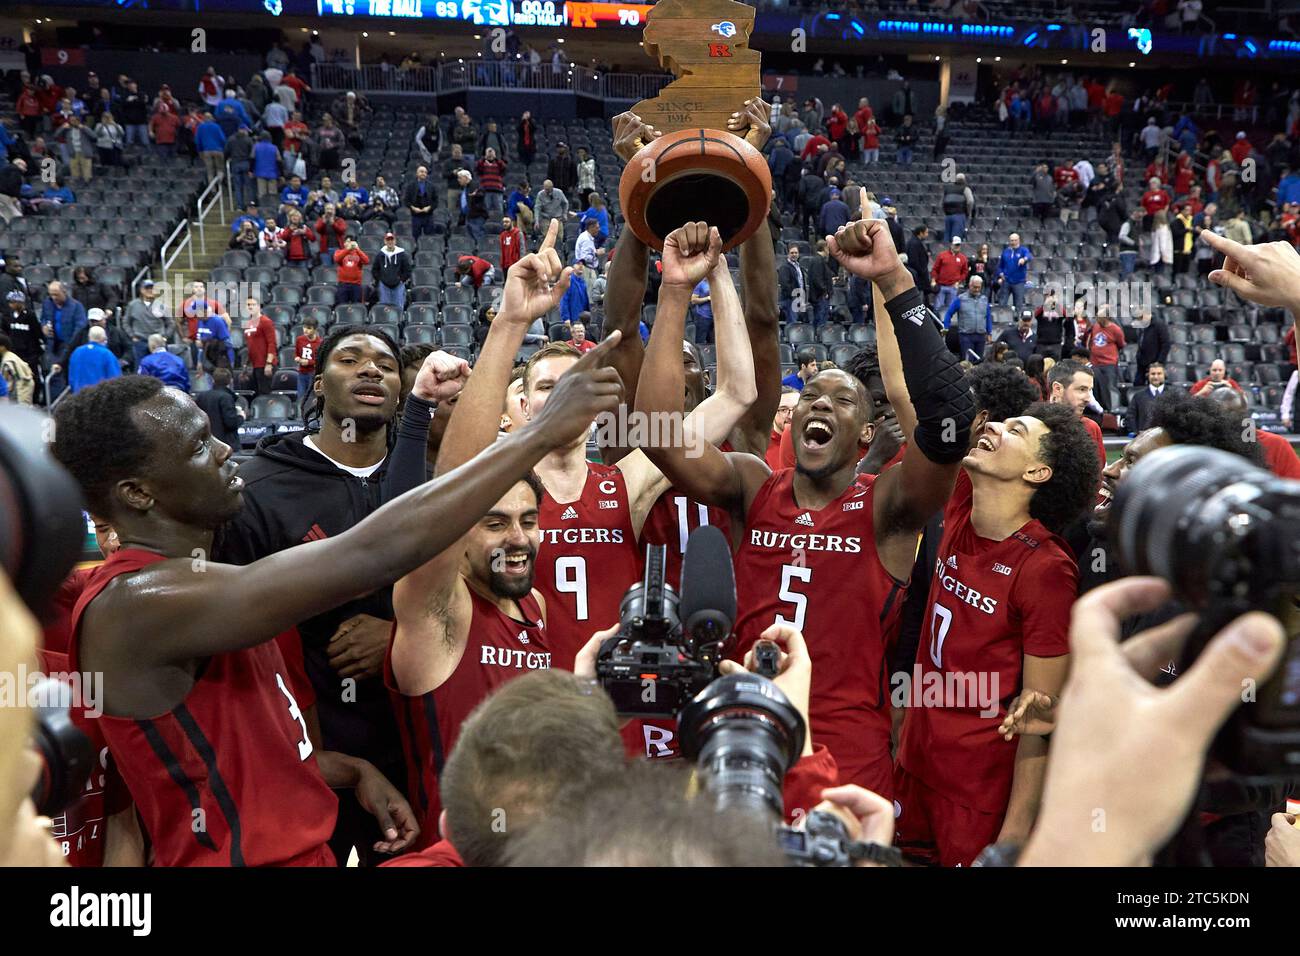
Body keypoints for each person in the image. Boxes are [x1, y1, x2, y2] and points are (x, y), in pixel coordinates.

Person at [50, 341, 613, 867]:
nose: (225, 449)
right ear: (137, 493)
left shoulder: (206, 586)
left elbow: (236, 750)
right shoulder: (136, 603)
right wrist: (535, 437)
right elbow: (377, 549)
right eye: (200, 445)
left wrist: (351, 770)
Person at [635, 218, 975, 795]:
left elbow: (949, 425)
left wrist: (893, 279)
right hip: (741, 733)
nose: (819, 404)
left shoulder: (889, 502)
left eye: (843, 400)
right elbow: (657, 432)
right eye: (811, 397)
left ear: (866, 434)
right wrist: (672, 291)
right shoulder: (751, 484)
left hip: (846, 752)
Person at [435, 218, 755, 675]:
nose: (564, 396)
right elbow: (449, 487)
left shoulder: (628, 481)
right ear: (521, 403)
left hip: (619, 705)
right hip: (529, 703)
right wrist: (509, 322)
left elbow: (736, 392)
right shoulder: (499, 492)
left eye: (575, 385)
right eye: (548, 387)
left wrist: (717, 269)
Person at [895, 386, 1097, 865]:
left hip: (975, 792)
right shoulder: (964, 509)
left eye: (1015, 430)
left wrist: (1013, 837)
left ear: (1037, 472)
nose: (992, 428)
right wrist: (893, 308)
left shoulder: (1046, 568)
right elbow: (913, 396)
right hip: (915, 763)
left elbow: (1039, 720)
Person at [1207, 385, 1300, 479]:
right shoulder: (1200, 446)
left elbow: (1294, 488)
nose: (1228, 421)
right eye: (1220, 416)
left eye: (1235, 414)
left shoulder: (1276, 444)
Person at [1048, 358, 1106, 467]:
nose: (1088, 399)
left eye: (1090, 390)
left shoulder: (1091, 427)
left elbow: (1098, 476)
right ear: (1057, 389)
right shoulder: (1033, 426)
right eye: (1082, 389)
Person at [942, 273, 992, 363]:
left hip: (981, 336)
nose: (976, 289)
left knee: (979, 361)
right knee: (967, 362)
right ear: (969, 285)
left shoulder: (984, 300)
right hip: (966, 336)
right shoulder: (960, 299)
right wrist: (946, 327)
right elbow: (949, 313)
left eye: (978, 287)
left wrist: (989, 332)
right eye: (974, 287)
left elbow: (988, 316)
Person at [194, 366, 245, 448]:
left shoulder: (201, 396)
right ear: (230, 381)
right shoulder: (227, 397)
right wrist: (241, 417)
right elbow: (231, 423)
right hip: (225, 445)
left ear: (213, 380)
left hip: (206, 443)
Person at [1087, 306, 1126, 410]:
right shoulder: (1095, 327)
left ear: (1106, 317)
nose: (1097, 319)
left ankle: (1112, 410)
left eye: (1099, 317)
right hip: (1095, 363)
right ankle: (1099, 409)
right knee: (1095, 388)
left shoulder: (1116, 329)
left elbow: (1121, 344)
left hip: (1109, 364)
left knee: (1110, 387)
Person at [242, 296, 278, 395]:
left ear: (259, 307)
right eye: (248, 305)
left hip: (264, 365)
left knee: (265, 393)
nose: (250, 307)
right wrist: (247, 363)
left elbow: (272, 343)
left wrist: (269, 363)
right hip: (254, 365)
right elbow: (250, 346)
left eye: (253, 305)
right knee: (256, 394)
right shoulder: (247, 323)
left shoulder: (265, 321)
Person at [67, 326, 121, 393]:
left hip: (79, 396)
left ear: (89, 337)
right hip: (99, 397)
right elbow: (115, 379)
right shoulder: (107, 354)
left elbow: (71, 377)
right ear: (104, 338)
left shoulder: (77, 352)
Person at [1125, 361, 1168, 433]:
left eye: (1159, 374)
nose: (1156, 377)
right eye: (1153, 374)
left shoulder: (1173, 394)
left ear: (1165, 375)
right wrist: (1137, 434)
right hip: (1143, 439)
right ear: (1148, 375)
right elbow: (1130, 418)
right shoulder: (1138, 396)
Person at [993, 234, 1033, 310]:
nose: (1013, 242)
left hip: (1019, 282)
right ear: (1009, 241)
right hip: (1006, 281)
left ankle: (1017, 320)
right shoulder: (1005, 252)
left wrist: (1024, 259)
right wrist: (1001, 273)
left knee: (1018, 305)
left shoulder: (1023, 250)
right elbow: (1000, 266)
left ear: (1019, 240)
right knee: (1002, 303)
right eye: (1012, 240)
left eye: (1015, 240)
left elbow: (1029, 256)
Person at [930, 237, 968, 315]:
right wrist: (934, 280)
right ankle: (936, 325)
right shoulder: (942, 256)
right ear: (951, 245)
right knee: (937, 308)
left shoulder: (963, 258)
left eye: (959, 245)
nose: (957, 247)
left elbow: (965, 272)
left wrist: (959, 281)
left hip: (953, 286)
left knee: (950, 309)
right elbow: (935, 269)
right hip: (941, 285)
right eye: (956, 245)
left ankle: (948, 326)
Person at [373, 232, 411, 309]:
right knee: (385, 308)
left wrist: (401, 279)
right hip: (384, 285)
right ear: (385, 241)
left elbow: (407, 270)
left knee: (399, 308)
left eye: (392, 240)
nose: (390, 242)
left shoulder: (402, 254)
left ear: (395, 241)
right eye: (388, 240)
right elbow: (375, 269)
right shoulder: (380, 255)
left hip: (398, 285)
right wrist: (381, 279)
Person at [293, 316, 322, 412]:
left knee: (312, 396)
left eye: (309, 328)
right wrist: (297, 358)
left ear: (315, 329)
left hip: (313, 374)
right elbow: (296, 353)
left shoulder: (319, 343)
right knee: (301, 396)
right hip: (301, 373)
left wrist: (308, 362)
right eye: (304, 327)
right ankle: (300, 415)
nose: (305, 330)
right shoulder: (299, 339)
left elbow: (320, 361)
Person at [333, 236, 370, 305]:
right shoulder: (339, 252)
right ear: (344, 243)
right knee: (342, 306)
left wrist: (358, 249)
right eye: (347, 242)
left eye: (351, 242)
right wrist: (347, 250)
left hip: (356, 285)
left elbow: (367, 261)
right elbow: (336, 259)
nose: (349, 244)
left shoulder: (358, 253)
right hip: (343, 285)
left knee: (357, 306)